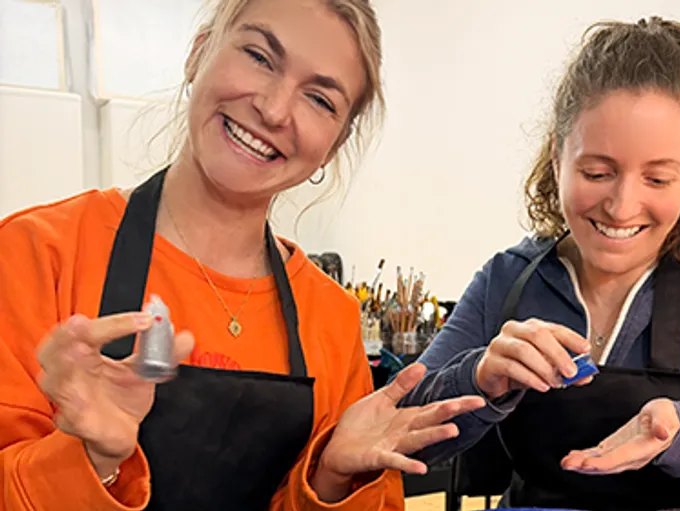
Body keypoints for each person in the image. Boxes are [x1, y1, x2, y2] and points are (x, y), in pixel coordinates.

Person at [0, 1, 485, 510]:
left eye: (319, 99)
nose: (274, 110)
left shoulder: (332, 320)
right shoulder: (38, 255)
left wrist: (332, 479)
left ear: (334, 145)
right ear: (198, 53)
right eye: (259, 56)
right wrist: (91, 460)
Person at [401, 16, 680, 511]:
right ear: (557, 156)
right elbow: (398, 428)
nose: (621, 207)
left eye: (658, 180)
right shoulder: (508, 280)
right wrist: (479, 380)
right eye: (597, 172)